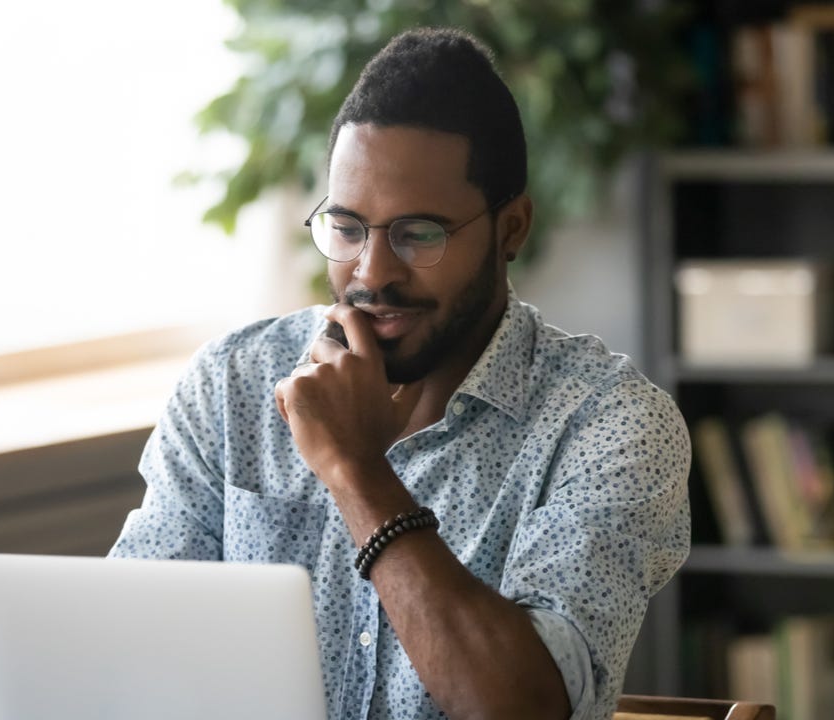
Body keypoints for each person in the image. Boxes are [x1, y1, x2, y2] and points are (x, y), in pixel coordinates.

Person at [109, 27, 690, 720]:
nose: (372, 273)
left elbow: (527, 710)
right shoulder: (232, 386)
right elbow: (125, 658)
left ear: (512, 229)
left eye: (419, 235)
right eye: (348, 228)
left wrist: (357, 473)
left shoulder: (613, 426)